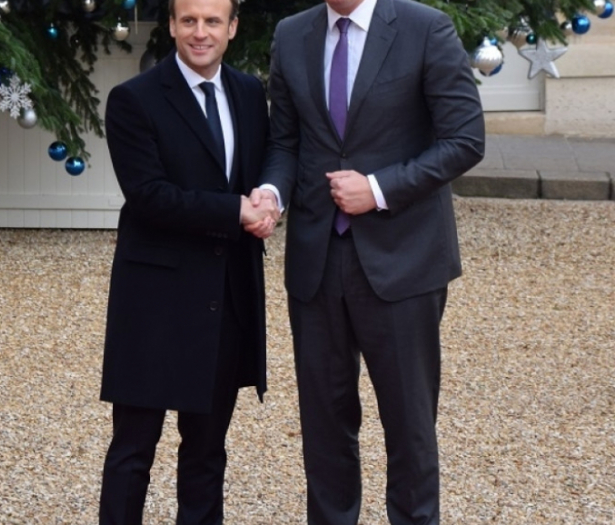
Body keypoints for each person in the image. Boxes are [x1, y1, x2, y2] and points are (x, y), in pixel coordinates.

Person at [249, 0, 485, 523]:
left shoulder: (426, 28)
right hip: (315, 261)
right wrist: (271, 192)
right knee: (324, 428)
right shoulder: (291, 34)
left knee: (409, 427)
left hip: (404, 261)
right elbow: (286, 143)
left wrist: (378, 189)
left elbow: (465, 140)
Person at [98, 0, 276, 522]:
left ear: (232, 28)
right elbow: (148, 195)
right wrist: (235, 210)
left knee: (206, 452)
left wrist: (267, 200)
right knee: (133, 451)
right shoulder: (134, 99)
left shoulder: (249, 93)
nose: (201, 32)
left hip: (224, 299)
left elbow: (260, 169)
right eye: (189, 20)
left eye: (213, 21)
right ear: (173, 25)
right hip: (155, 303)